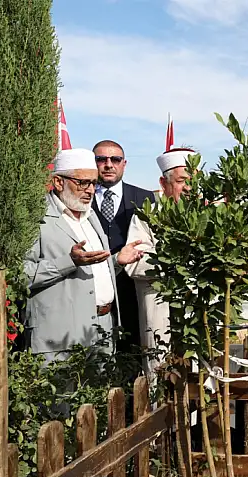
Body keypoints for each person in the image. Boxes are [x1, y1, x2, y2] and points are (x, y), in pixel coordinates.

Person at [24, 149, 143, 362]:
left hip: (103, 331)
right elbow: (20, 276)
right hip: (59, 338)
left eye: (93, 183)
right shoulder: (36, 218)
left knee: (99, 395)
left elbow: (91, 271)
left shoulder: (89, 216)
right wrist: (68, 262)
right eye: (82, 182)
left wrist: (116, 261)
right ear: (59, 182)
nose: (90, 190)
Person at [125, 148, 196, 376]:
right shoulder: (146, 216)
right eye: (182, 181)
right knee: (158, 377)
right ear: (163, 184)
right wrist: (172, 262)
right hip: (159, 310)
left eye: (192, 182)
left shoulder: (206, 216)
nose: (188, 188)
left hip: (197, 313)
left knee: (201, 379)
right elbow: (134, 263)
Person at [91, 140, 156, 358]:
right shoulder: (82, 198)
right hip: (93, 290)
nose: (108, 165)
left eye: (115, 159)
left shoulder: (145, 198)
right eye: (101, 159)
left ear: (124, 164)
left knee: (134, 350)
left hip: (132, 290)